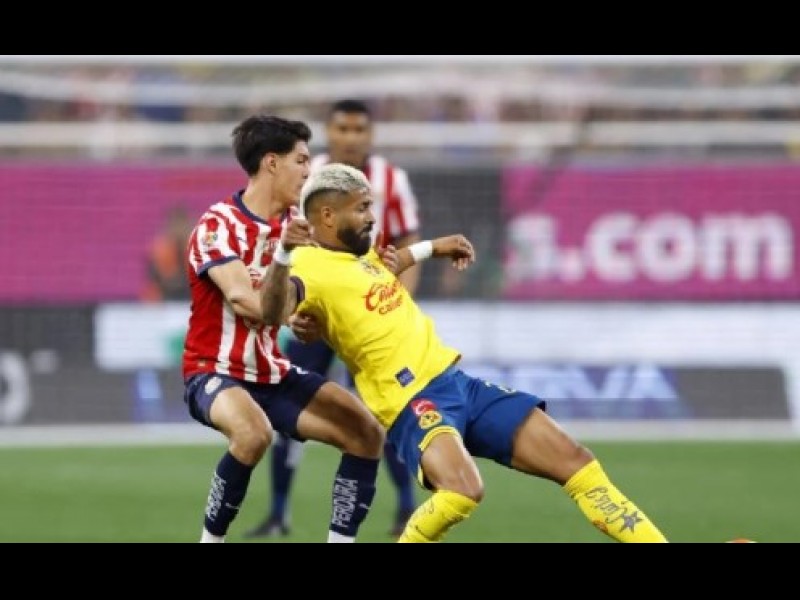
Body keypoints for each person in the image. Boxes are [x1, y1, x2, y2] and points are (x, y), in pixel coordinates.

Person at [281, 162, 669, 543]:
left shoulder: (358, 253)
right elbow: (273, 306)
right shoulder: (306, 265)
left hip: (457, 384)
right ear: (327, 215)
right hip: (411, 401)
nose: (372, 217)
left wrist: (434, 247)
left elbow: (387, 266)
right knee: (462, 490)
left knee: (575, 461)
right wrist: (291, 319)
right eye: (362, 208)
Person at [182, 116, 385, 543]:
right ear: (271, 163)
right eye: (302, 160)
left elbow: (319, 292)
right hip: (213, 371)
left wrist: (311, 319)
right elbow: (243, 299)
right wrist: (288, 311)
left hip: (272, 373)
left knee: (366, 433)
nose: (309, 171)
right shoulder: (218, 225)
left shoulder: (303, 227)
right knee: (252, 433)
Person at [245, 99, 420, 539]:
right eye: (343, 128)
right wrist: (290, 307)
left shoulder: (391, 179)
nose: (351, 137)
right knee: (290, 405)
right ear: (330, 132)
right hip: (316, 314)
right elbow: (282, 236)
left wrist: (397, 303)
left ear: (370, 135)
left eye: (359, 129)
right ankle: (278, 513)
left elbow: (407, 243)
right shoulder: (308, 175)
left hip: (370, 317)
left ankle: (406, 508)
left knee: (385, 410)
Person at [141, 204, 193, 302]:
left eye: (182, 225)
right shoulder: (161, 250)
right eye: (176, 225)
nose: (179, 230)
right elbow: (158, 278)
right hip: (165, 295)